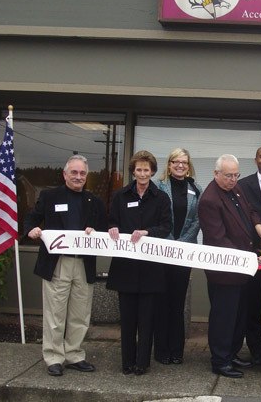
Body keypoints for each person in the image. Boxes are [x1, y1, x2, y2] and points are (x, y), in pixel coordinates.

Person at [25, 154, 107, 377]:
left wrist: (95, 230)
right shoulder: (50, 196)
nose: (78, 177)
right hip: (57, 263)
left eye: (82, 173)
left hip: (83, 263)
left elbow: (104, 228)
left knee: (80, 313)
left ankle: (74, 355)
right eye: (74, 172)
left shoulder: (94, 201)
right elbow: (32, 218)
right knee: (55, 313)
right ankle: (54, 357)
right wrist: (31, 230)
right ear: (65, 174)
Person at [198, 154, 261, 378]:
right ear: (216, 174)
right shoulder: (210, 200)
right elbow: (218, 239)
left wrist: (258, 225)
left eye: (235, 175)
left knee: (239, 316)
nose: (232, 179)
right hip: (225, 271)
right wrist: (249, 257)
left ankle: (231, 353)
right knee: (224, 317)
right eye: (228, 175)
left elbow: (249, 211)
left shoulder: (236, 189)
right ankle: (220, 361)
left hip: (241, 270)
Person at [106, 150, 172, 376]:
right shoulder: (120, 195)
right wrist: (112, 227)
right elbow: (111, 221)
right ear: (133, 171)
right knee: (127, 320)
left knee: (147, 320)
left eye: (146, 169)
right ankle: (127, 362)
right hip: (125, 267)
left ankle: (142, 362)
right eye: (138, 169)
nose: (142, 173)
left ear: (152, 171)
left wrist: (147, 232)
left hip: (151, 268)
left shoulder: (161, 198)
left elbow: (166, 227)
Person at [153, 148, 202, 365]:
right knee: (161, 301)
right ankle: (161, 350)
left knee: (178, 302)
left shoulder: (195, 188)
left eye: (184, 162)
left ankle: (177, 350)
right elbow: (155, 216)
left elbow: (198, 219)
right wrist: (169, 240)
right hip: (163, 251)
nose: (180, 165)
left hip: (184, 253)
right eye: (176, 161)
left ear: (188, 164)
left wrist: (182, 242)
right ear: (169, 164)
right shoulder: (158, 187)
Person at [238, 145, 261, 365]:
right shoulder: (243, 185)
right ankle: (256, 351)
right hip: (254, 254)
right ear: (256, 159)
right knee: (252, 305)